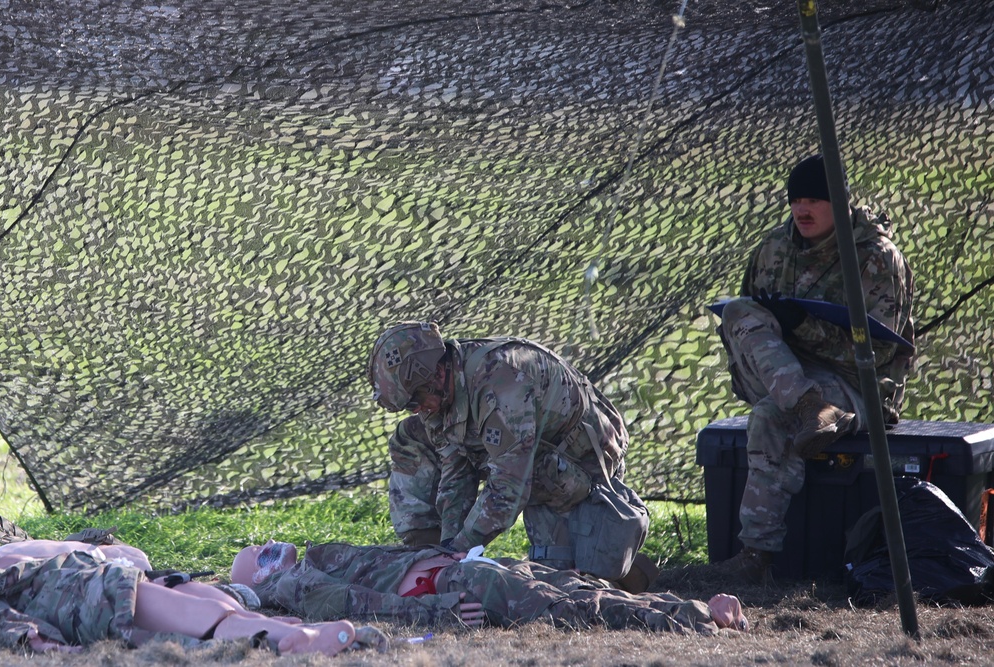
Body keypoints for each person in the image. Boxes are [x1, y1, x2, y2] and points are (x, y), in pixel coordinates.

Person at [712, 154, 915, 582]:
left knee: (769, 415)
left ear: (839, 204)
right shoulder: (774, 247)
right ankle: (806, 403)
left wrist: (804, 325)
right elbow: (748, 322)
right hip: (786, 375)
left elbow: (877, 353)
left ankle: (755, 558)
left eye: (814, 200)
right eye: (796, 199)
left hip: (853, 384)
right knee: (739, 312)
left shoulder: (875, 257)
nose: (802, 209)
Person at [368, 322, 658, 593]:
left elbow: (509, 486)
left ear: (437, 375)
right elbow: (456, 471)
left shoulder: (501, 383)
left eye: (415, 401)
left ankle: (622, 565)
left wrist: (466, 545)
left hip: (584, 460)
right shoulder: (441, 397)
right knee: (551, 577)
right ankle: (604, 559)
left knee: (566, 586)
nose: (416, 410)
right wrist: (448, 547)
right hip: (536, 458)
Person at [230, 540, 748, 634]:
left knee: (575, 589)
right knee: (572, 609)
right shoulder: (292, 585)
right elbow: (358, 604)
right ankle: (693, 617)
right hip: (457, 583)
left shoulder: (313, 556)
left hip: (465, 566)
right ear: (259, 576)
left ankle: (692, 607)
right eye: (257, 553)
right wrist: (439, 612)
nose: (267, 544)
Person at [0, 538, 363, 655]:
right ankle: (287, 638)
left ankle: (264, 627)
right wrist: (35, 639)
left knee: (180, 604)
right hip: (81, 591)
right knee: (193, 612)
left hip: (85, 586)